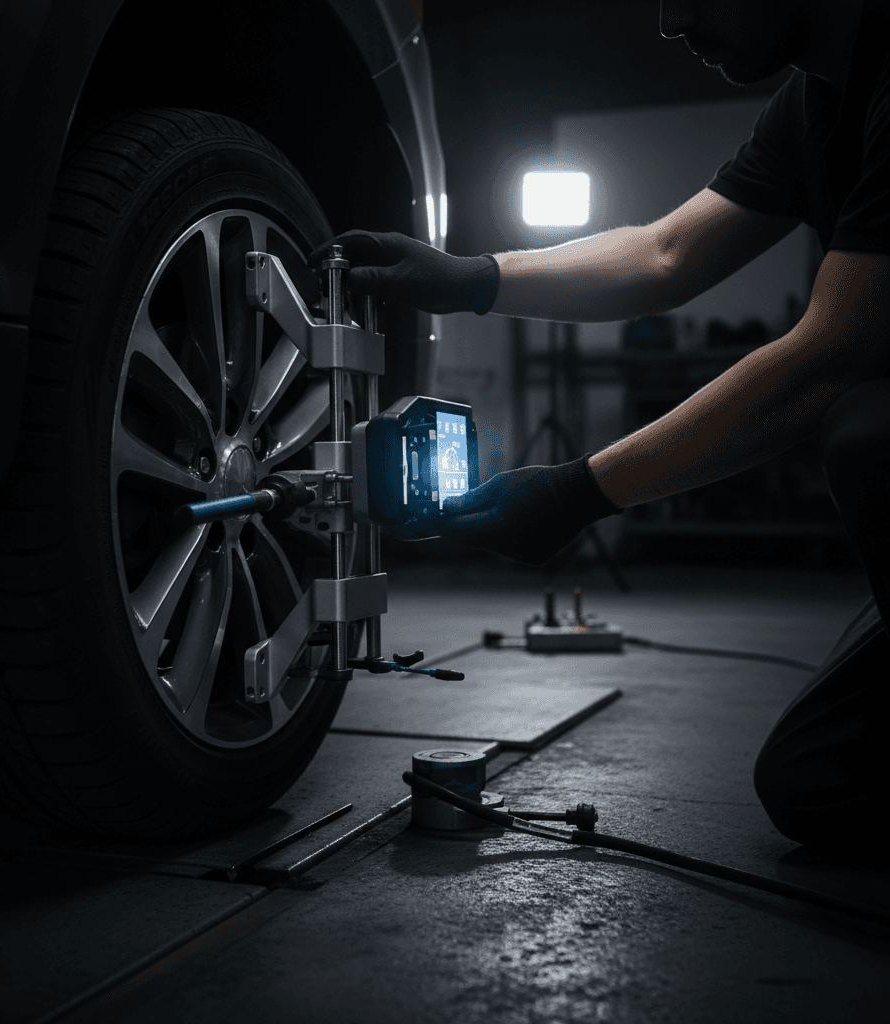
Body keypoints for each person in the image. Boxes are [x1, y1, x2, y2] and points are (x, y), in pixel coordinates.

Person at [309, 0, 890, 846]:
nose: (668, 22)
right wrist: (472, 278)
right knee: (811, 783)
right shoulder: (816, 102)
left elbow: (832, 352)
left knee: (869, 434)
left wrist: (574, 494)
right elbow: (665, 254)